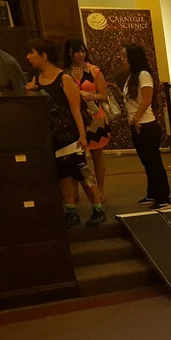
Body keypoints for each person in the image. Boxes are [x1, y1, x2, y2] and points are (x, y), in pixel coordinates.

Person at [24, 38, 106, 228]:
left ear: (44, 56)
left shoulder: (64, 78)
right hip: (51, 136)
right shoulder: (36, 80)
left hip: (70, 134)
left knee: (81, 171)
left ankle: (98, 209)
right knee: (63, 174)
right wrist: (30, 92)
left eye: (32, 53)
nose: (28, 57)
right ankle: (71, 211)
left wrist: (82, 136)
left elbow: (75, 109)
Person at [121, 45, 171, 210]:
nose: (122, 59)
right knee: (147, 162)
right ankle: (152, 193)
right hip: (137, 124)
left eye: (124, 56)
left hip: (146, 124)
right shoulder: (132, 76)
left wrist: (136, 118)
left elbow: (147, 99)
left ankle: (164, 198)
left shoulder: (144, 75)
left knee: (153, 162)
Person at [64, 39, 110, 194]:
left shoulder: (94, 71)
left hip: (95, 118)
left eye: (83, 51)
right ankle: (78, 191)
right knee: (77, 158)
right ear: (69, 52)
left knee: (97, 156)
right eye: (77, 51)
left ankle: (100, 190)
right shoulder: (64, 73)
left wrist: (90, 96)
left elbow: (104, 96)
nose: (80, 54)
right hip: (74, 119)